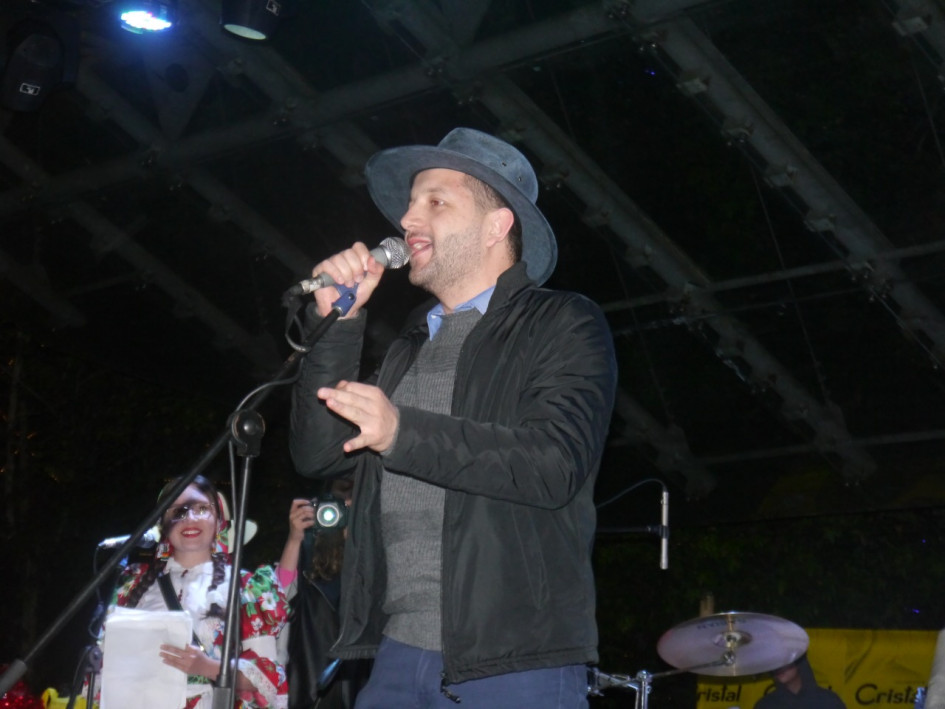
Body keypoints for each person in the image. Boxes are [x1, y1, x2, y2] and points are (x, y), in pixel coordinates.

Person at [289, 127, 618, 707]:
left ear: (497, 226)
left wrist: (403, 432)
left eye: (435, 202)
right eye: (410, 204)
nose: (409, 220)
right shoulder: (409, 344)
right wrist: (337, 328)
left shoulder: (562, 322)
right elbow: (317, 453)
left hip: (513, 663)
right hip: (396, 653)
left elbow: (553, 464)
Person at [101, 475, 289, 709]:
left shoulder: (246, 587)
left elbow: (270, 676)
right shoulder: (132, 584)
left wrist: (207, 667)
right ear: (163, 523)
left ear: (218, 520)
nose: (190, 518)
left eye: (201, 508)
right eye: (178, 511)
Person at [277, 482, 370, 709]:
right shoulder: (310, 557)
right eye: (341, 501)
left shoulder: (376, 552)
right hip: (314, 689)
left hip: (367, 688)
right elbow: (278, 598)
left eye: (353, 499)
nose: (347, 506)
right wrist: (295, 538)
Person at [754, 656, 846, 709]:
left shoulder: (828, 701)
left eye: (785, 660)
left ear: (799, 662)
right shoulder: (766, 705)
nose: (779, 667)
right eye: (775, 662)